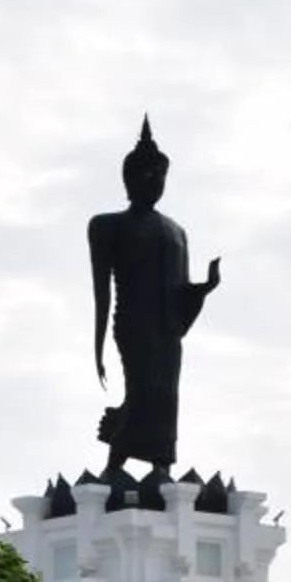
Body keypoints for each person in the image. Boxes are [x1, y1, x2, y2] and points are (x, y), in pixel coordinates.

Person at [89, 118, 220, 482]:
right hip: (135, 322)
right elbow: (102, 289)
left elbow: (181, 293)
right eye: (146, 175)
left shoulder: (177, 232)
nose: (153, 182)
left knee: (166, 394)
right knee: (142, 387)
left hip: (168, 329)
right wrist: (97, 346)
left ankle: (162, 463)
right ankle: (116, 459)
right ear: (128, 179)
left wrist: (204, 288)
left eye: (160, 176)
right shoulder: (107, 225)